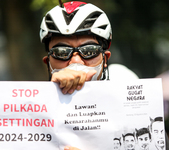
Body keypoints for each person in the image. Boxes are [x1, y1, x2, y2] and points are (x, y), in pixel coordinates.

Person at [40, 1, 169, 150]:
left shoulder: (123, 81)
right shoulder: (30, 107)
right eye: (61, 53)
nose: (75, 61)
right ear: (47, 63)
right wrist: (51, 95)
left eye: (89, 51)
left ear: (105, 58)